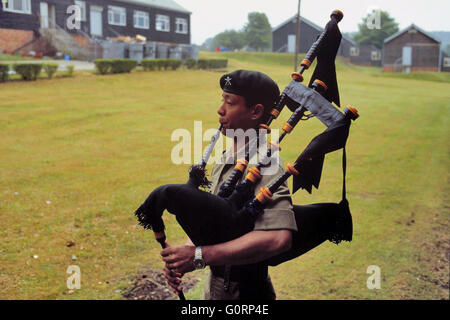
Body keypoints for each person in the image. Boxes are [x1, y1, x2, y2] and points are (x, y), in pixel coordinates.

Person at [160, 70, 297, 300]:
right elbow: (215, 222)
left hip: (246, 293)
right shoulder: (226, 155)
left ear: (256, 112)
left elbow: (279, 238)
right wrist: (183, 256)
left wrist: (199, 255)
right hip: (216, 287)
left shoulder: (266, 162)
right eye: (222, 99)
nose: (220, 110)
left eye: (230, 102)